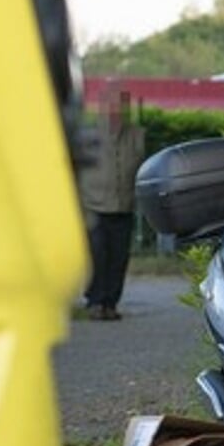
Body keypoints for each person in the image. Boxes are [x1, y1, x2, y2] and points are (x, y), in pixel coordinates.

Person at [77, 90, 147, 320]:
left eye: (123, 104)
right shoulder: (88, 134)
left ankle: (111, 303)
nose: (117, 109)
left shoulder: (137, 134)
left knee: (119, 258)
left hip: (124, 205)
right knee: (97, 256)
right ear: (103, 106)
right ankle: (95, 302)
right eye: (113, 104)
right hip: (93, 204)